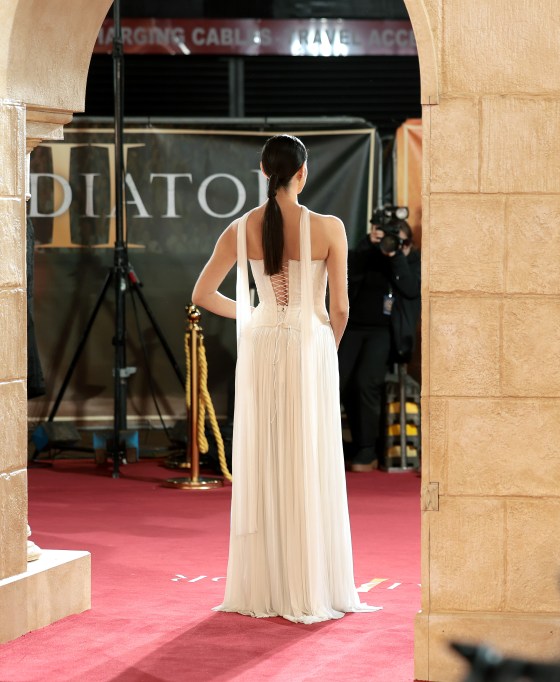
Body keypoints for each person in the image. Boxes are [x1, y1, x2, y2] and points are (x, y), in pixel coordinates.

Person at [192, 134, 380, 623]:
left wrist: (255, 316)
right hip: (308, 345)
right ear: (303, 173)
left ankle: (269, 585)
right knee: (308, 458)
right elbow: (339, 308)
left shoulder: (240, 228)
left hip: (264, 344)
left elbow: (203, 293)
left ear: (262, 172)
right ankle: (309, 583)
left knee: (267, 455)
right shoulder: (329, 227)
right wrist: (326, 348)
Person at [339, 215, 421, 472]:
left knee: (367, 384)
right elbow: (349, 271)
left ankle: (367, 449)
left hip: (383, 332)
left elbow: (409, 288)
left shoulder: (408, 260)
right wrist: (369, 243)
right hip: (350, 328)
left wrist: (396, 255)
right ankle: (331, 447)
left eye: (402, 242)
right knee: (337, 382)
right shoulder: (366, 254)